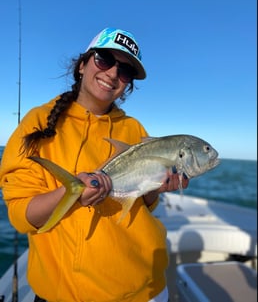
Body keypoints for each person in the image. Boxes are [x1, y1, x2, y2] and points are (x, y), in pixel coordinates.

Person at [0, 27, 188, 302]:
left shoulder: (134, 128)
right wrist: (71, 193)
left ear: (128, 84)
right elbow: (20, 215)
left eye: (125, 71)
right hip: (67, 294)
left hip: (146, 287)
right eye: (104, 59)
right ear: (82, 64)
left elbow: (141, 202)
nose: (113, 73)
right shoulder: (38, 122)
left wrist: (154, 190)